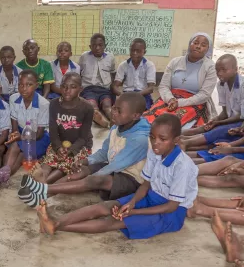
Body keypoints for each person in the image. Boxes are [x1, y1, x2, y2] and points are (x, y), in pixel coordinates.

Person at [37, 114, 198, 240]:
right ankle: (55, 222)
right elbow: (145, 184)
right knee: (107, 207)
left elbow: (171, 207)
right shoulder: (155, 153)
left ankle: (56, 225)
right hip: (151, 197)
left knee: (112, 222)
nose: (155, 143)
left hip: (169, 214)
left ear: (176, 140)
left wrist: (133, 212)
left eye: (162, 139)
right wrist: (132, 203)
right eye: (152, 137)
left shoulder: (182, 166)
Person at [18, 93, 150, 208]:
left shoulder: (140, 139)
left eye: (119, 111)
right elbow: (104, 152)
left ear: (135, 116)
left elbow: (116, 165)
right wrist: (85, 162)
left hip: (131, 178)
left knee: (95, 180)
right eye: (114, 107)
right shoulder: (117, 127)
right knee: (80, 170)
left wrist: (92, 176)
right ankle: (42, 195)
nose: (113, 112)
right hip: (114, 167)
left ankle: (43, 188)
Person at [143, 32, 217, 129]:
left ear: (208, 49)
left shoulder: (210, 67)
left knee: (176, 127)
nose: (198, 47)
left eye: (203, 45)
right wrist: (170, 99)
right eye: (196, 43)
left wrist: (180, 103)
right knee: (148, 121)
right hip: (169, 99)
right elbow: (164, 86)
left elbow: (204, 95)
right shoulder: (175, 62)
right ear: (190, 44)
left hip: (194, 103)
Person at [180, 54, 244, 163]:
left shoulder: (242, 86)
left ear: (235, 69)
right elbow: (224, 112)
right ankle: (179, 136)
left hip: (239, 123)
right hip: (232, 123)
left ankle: (186, 143)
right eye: (217, 70)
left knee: (218, 131)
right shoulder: (221, 85)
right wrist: (216, 120)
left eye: (224, 70)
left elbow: (240, 116)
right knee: (207, 126)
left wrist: (219, 123)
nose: (219, 73)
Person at [34, 73, 94, 184]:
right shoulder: (53, 104)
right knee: (49, 160)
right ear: (60, 87)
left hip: (80, 145)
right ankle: (41, 177)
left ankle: (44, 183)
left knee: (67, 163)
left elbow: (84, 136)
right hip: (60, 143)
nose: (67, 90)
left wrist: (72, 150)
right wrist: (58, 147)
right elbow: (53, 130)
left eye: (73, 87)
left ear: (80, 89)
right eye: (64, 86)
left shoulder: (87, 108)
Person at [3, 70, 50, 180]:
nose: (24, 88)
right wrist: (15, 135)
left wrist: (21, 137)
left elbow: (39, 134)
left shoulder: (43, 104)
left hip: (38, 137)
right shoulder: (13, 98)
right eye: (21, 84)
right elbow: (14, 125)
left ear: (36, 85)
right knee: (15, 145)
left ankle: (7, 174)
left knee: (24, 152)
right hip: (20, 130)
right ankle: (5, 169)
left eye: (29, 84)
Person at [79, 33, 116, 128]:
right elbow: (79, 72)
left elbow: (112, 73)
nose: (97, 48)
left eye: (100, 45)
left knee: (107, 106)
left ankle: (114, 122)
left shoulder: (110, 57)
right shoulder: (84, 56)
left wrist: (113, 88)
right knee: (93, 106)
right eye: (94, 45)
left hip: (104, 89)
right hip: (88, 89)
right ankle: (103, 122)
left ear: (105, 46)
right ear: (90, 46)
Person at [111, 39, 156, 110]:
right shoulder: (123, 65)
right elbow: (115, 86)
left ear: (144, 52)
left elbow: (150, 88)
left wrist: (135, 96)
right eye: (132, 50)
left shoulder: (149, 65)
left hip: (143, 95)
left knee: (142, 112)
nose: (134, 53)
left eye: (138, 51)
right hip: (127, 94)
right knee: (120, 111)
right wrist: (121, 95)